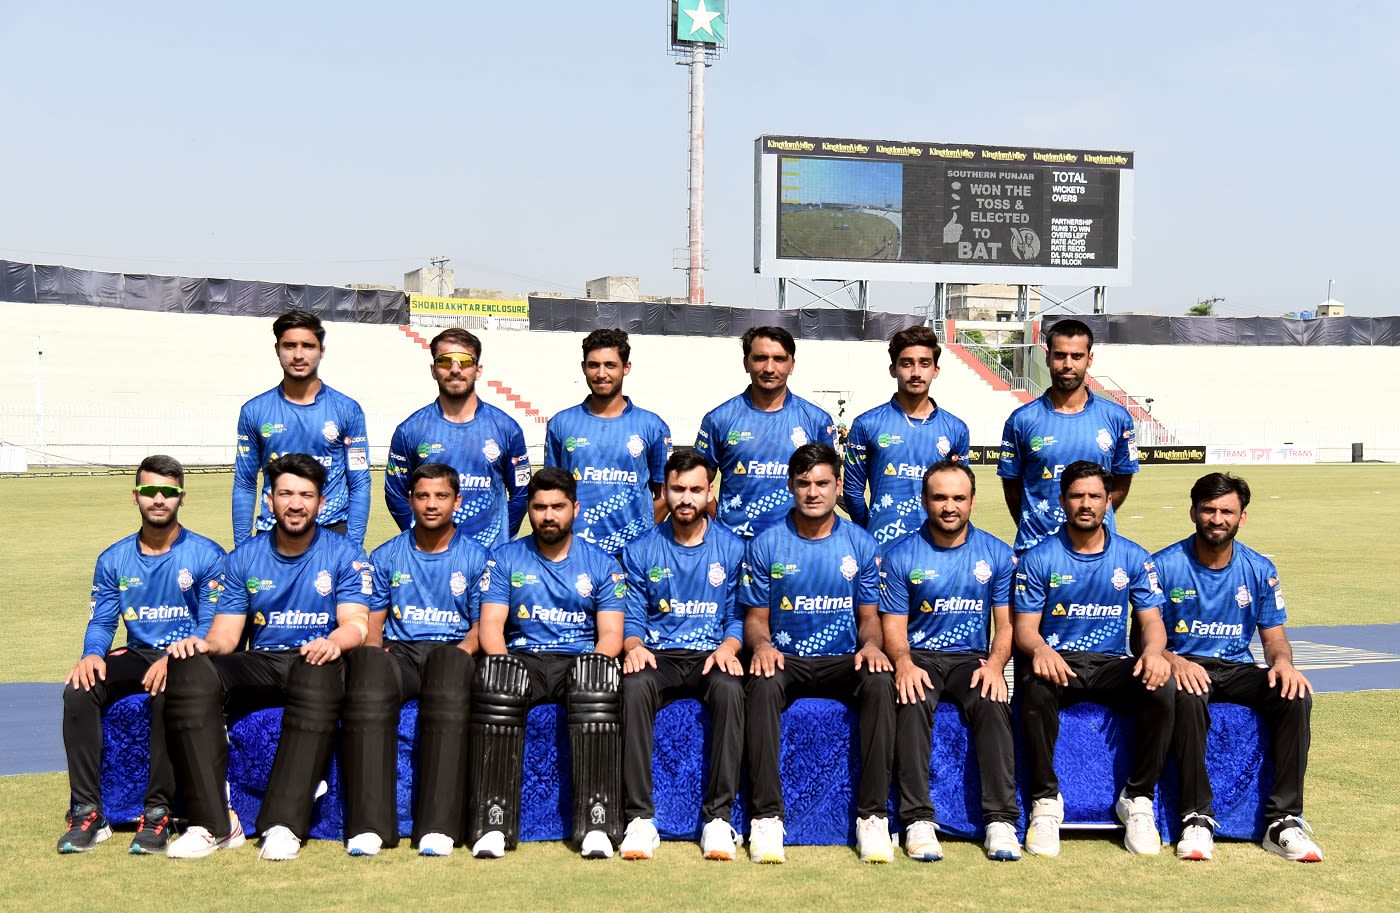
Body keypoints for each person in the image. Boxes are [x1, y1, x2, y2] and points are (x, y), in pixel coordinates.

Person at [164, 454, 372, 860]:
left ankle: (284, 825)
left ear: (322, 502)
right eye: (286, 494)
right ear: (269, 501)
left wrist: (334, 641)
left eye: (306, 495)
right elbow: (226, 634)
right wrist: (203, 646)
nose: (296, 504)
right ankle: (214, 824)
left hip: (318, 658)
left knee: (317, 668)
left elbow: (357, 624)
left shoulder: (345, 554)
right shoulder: (244, 557)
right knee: (190, 667)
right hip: (262, 659)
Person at [57, 456, 226, 855]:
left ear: (181, 498)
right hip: (137, 652)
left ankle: (157, 814)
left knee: (170, 693)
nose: (159, 499)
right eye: (150, 491)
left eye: (168, 492)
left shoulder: (206, 555)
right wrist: (91, 655)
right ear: (136, 496)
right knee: (79, 691)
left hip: (190, 657)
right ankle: (86, 810)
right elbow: (101, 623)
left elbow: (210, 627)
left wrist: (176, 658)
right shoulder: (113, 559)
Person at [1155, 472, 1322, 862]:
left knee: (1294, 696)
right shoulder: (1163, 566)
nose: (1217, 518)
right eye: (1209, 510)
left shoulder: (1260, 569)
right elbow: (1143, 641)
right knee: (1188, 693)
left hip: (1237, 667)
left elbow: (1274, 637)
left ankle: (1283, 821)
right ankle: (1196, 817)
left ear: (1242, 517)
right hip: (1186, 665)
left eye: (1227, 511)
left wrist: (1282, 664)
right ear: (1193, 512)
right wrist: (1174, 662)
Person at [740, 443, 895, 864]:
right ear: (790, 485)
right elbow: (755, 618)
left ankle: (873, 818)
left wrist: (872, 645)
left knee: (881, 682)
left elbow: (869, 617)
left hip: (844, 658)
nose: (813, 492)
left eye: (823, 483)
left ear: (838, 486)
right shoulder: (766, 545)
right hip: (786, 658)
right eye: (804, 483)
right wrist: (762, 645)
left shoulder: (861, 544)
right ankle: (766, 818)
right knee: (760, 682)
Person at [1012, 460, 1174, 858]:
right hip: (1058, 662)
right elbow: (1025, 629)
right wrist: (1040, 650)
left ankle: (1137, 800)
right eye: (1077, 495)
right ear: (1062, 500)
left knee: (1163, 688)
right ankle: (1045, 803)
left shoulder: (1133, 557)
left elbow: (1152, 622)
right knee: (1032, 690)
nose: (1086, 504)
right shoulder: (1039, 558)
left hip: (1111, 663)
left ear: (1109, 501)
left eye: (1095, 496)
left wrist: (1153, 652)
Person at [469, 467, 626, 860]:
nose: (548, 515)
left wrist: (592, 663)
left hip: (579, 659)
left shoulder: (601, 563)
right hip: (525, 657)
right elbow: (490, 626)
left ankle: (597, 824)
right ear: (530, 510)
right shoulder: (505, 558)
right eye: (539, 507)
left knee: (596, 683)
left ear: (575, 507)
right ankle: (493, 824)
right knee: (497, 682)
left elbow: (611, 635)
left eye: (558, 506)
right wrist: (503, 663)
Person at [340, 463, 491, 858]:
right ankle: (370, 827)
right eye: (423, 496)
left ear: (457, 501)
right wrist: (373, 657)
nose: (431, 504)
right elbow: (373, 624)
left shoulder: (478, 558)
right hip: (401, 654)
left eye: (441, 496)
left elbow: (481, 628)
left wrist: (457, 656)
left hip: (454, 651)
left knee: (447, 669)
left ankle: (438, 828)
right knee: (368, 670)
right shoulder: (387, 554)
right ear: (410, 500)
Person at [878, 460, 1020, 862]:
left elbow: (1006, 625)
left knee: (993, 702)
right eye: (939, 497)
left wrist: (994, 667)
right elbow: (893, 628)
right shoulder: (901, 554)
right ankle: (917, 820)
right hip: (920, 656)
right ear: (924, 500)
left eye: (958, 497)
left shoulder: (996, 553)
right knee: (911, 697)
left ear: (973, 501)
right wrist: (903, 664)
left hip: (971, 659)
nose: (949, 506)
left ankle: (1000, 821)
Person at [617, 450, 746, 861]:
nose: (686, 498)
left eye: (695, 489)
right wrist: (634, 646)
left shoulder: (733, 547)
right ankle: (639, 820)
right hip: (660, 656)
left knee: (730, 690)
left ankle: (718, 820)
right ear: (665, 491)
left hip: (712, 654)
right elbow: (632, 617)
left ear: (711, 492)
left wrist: (729, 645)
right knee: (633, 687)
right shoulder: (640, 551)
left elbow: (738, 614)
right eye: (677, 489)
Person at [997, 318, 1138, 553]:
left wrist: (1093, 517)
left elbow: (1122, 478)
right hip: (1036, 548)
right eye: (1060, 355)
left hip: (1098, 551)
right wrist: (1033, 523)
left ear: (1089, 359)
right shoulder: (1022, 419)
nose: (1067, 364)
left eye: (1077, 356)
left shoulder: (1117, 417)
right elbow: (1012, 486)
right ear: (1048, 357)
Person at [233, 309, 371, 548]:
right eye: (289, 346)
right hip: (272, 532)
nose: (298, 354)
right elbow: (245, 483)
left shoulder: (348, 410)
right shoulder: (254, 411)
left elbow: (359, 483)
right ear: (277, 349)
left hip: (332, 532)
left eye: (307, 346)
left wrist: (354, 546)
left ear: (321, 351)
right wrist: (242, 549)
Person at [384, 327, 530, 549]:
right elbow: (396, 494)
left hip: (488, 562)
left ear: (478, 370)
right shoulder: (410, 430)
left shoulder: (507, 428)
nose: (455, 369)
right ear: (433, 370)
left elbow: (521, 494)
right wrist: (424, 538)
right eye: (444, 362)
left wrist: (499, 540)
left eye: (464, 361)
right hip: (431, 558)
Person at [695, 326, 835, 540]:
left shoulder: (817, 420)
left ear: (792, 365)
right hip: (736, 550)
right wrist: (723, 526)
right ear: (746, 363)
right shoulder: (719, 419)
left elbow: (829, 486)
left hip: (795, 547)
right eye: (760, 358)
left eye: (779, 359)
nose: (769, 368)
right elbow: (694, 483)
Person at [545, 329, 671, 555]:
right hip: (575, 555)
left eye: (610, 365)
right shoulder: (560, 424)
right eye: (594, 365)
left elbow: (665, 494)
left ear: (626, 367)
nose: (601, 373)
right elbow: (551, 494)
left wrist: (641, 536)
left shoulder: (652, 426)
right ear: (583, 367)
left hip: (634, 557)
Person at [844, 325, 970, 546]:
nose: (916, 373)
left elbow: (961, 492)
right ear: (893, 369)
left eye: (924, 363)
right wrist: (869, 532)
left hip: (936, 549)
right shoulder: (867, 424)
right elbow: (853, 490)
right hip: (883, 549)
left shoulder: (956, 428)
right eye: (906, 363)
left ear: (936, 370)